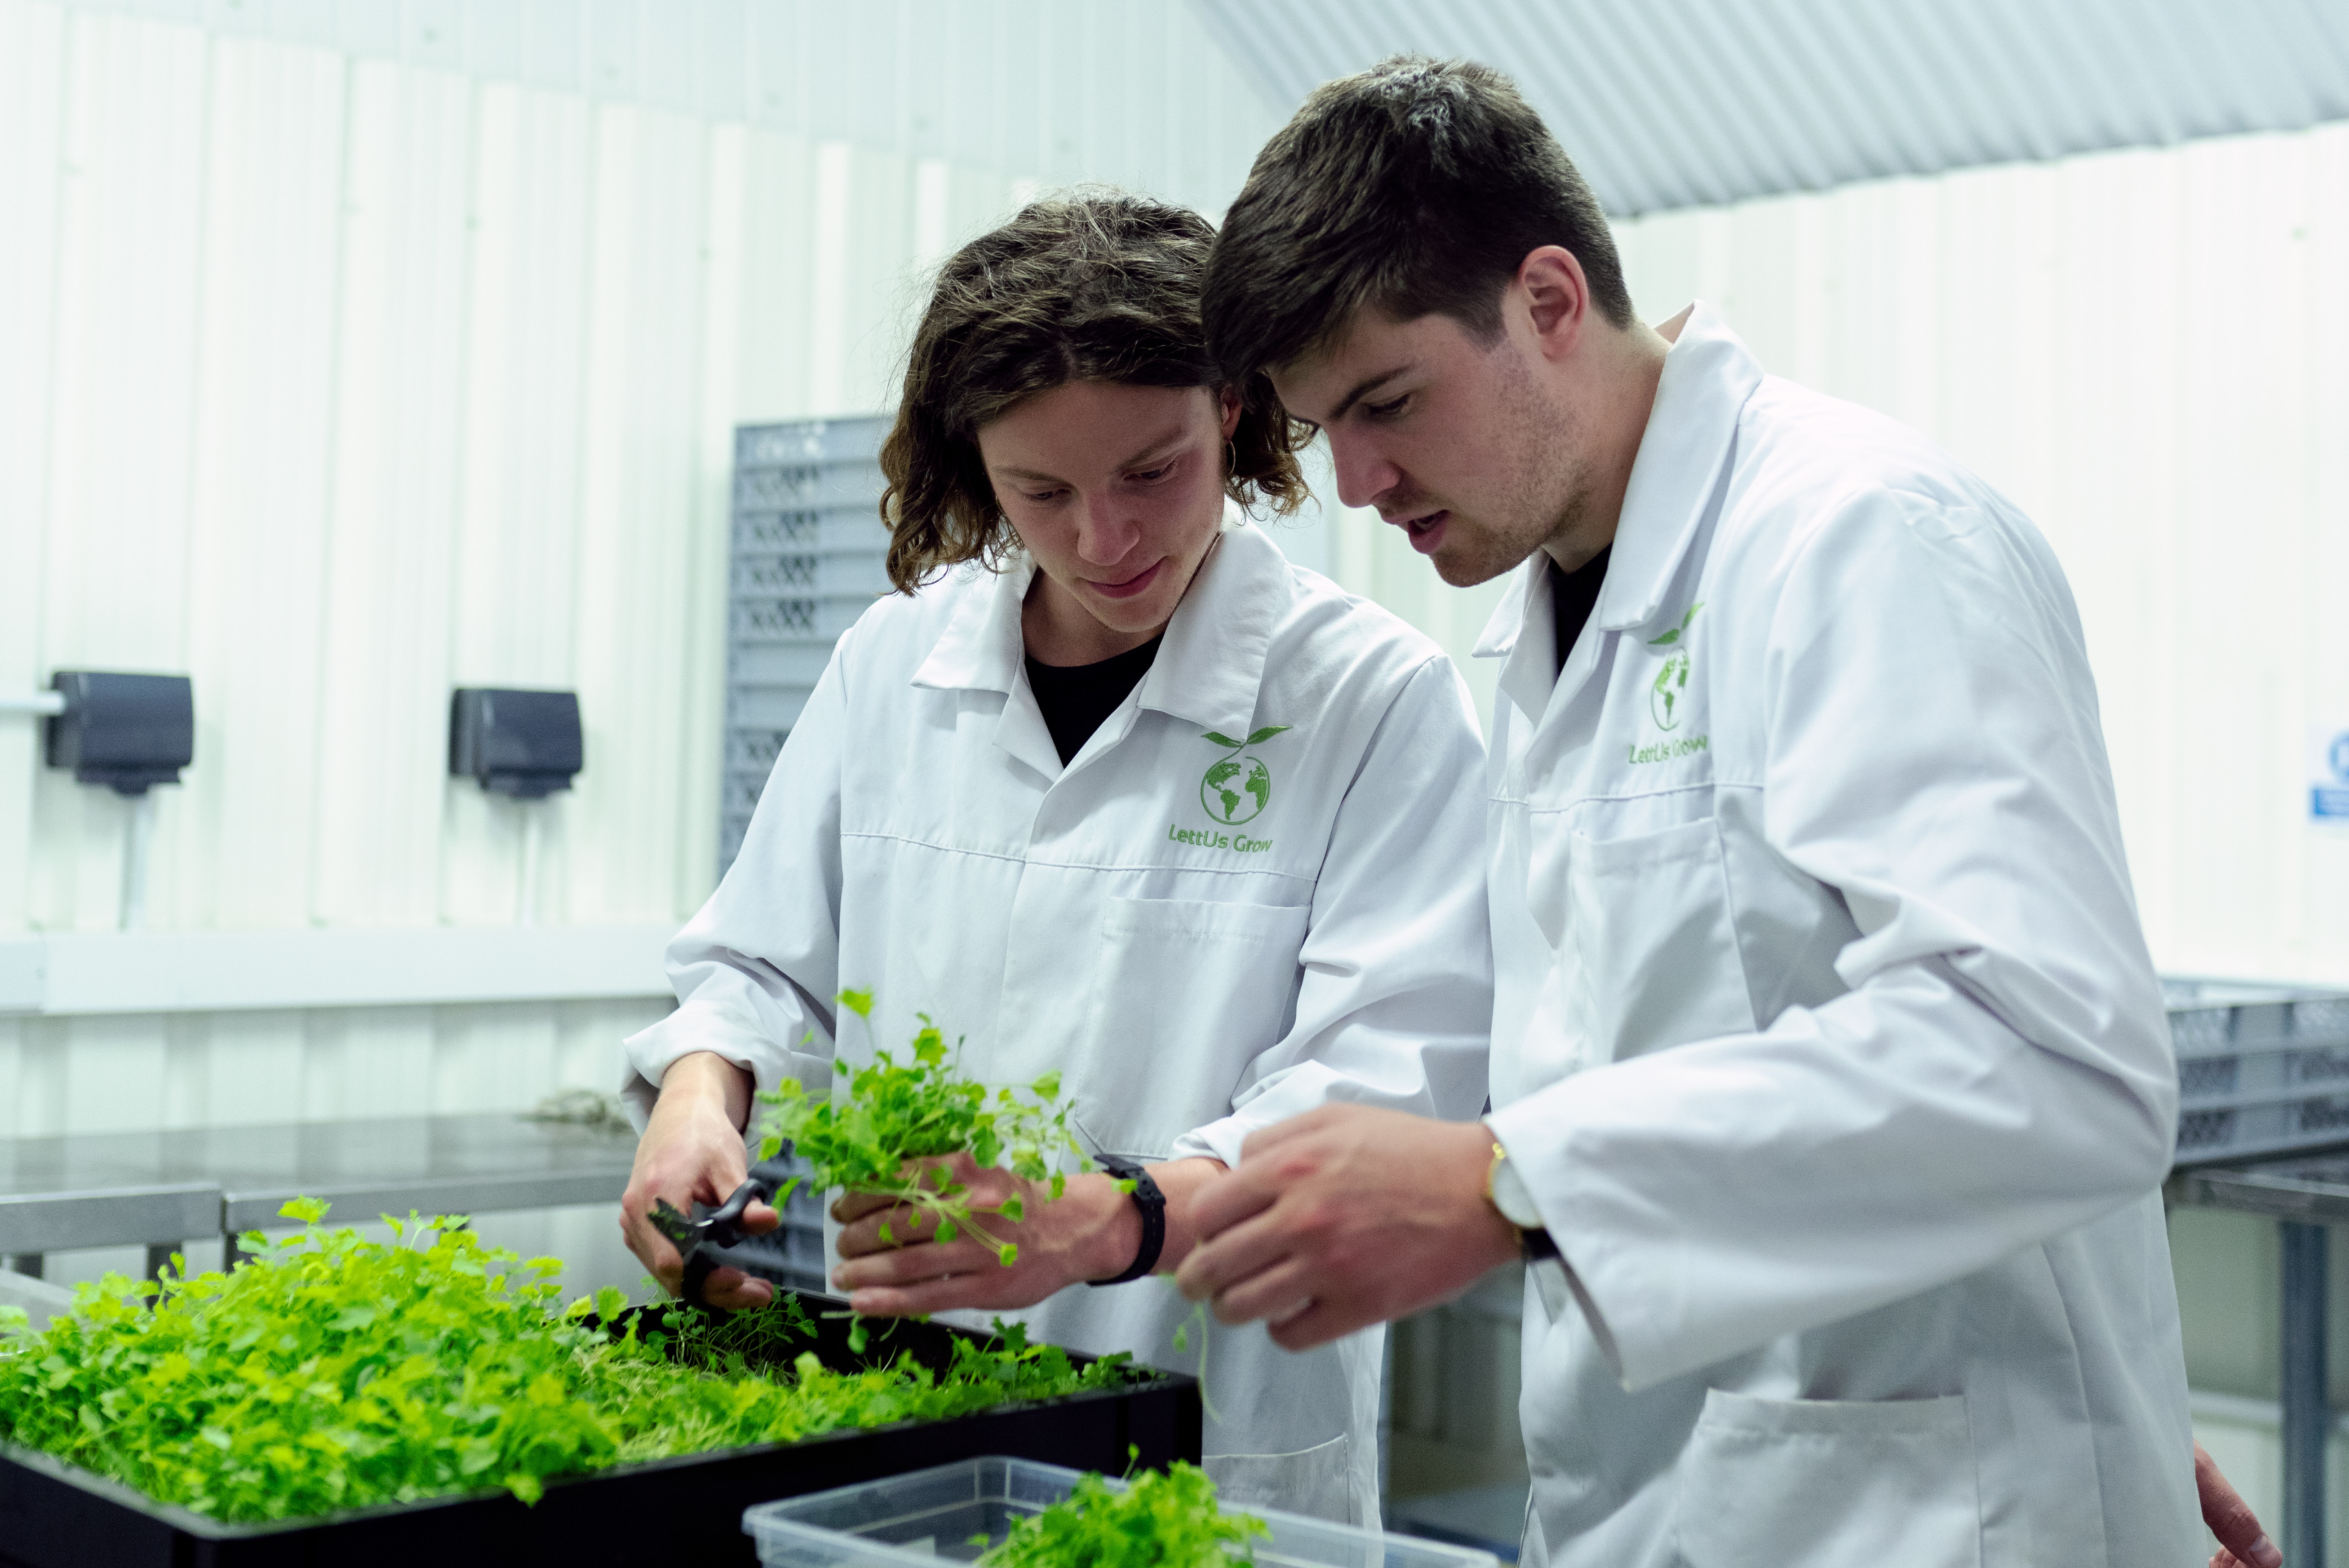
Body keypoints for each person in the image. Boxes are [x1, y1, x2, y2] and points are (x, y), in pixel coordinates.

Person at [1174, 56, 2258, 1567]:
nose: (1356, 482)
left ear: (1548, 300)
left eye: (1385, 403)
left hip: (1933, 1511)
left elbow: (2053, 1057)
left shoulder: (1858, 538)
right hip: (1679, 1495)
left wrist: (1509, 1182)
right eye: (1321, 428)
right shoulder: (1551, 616)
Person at [615, 192, 1492, 1525]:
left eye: (1152, 471)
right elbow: (759, 963)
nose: (1104, 540)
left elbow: (1385, 1080)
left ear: (1236, 417)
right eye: (1041, 491)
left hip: (1211, 1416)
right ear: (978, 470)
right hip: (899, 1401)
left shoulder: (1370, 697)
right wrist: (699, 1092)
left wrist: (1123, 1217)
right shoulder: (893, 663)